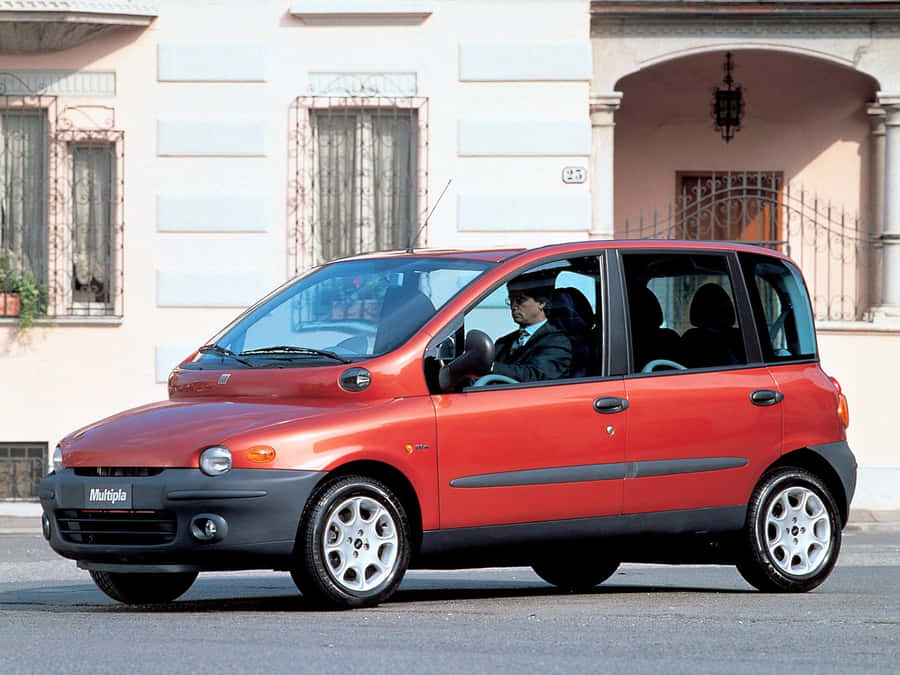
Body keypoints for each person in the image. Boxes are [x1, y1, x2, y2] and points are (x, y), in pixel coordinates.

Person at [491, 273, 572, 382]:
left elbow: (535, 375)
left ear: (542, 303)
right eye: (511, 300)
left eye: (520, 300)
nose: (513, 306)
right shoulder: (503, 343)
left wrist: (491, 367)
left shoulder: (558, 341)